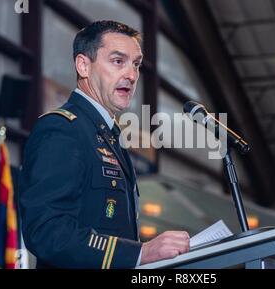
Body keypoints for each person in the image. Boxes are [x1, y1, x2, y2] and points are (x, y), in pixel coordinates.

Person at [18, 20, 189, 269]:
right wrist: (140, 253)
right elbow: (47, 231)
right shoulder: (62, 129)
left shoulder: (108, 135)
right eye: (118, 61)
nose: (131, 75)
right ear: (83, 66)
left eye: (136, 64)